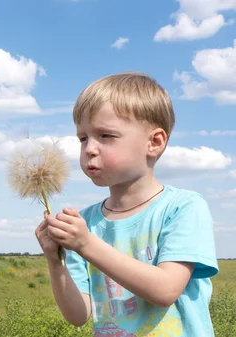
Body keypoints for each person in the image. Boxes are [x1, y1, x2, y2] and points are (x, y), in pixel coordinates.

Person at [35, 72, 219, 336]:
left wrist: (86, 244)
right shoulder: (84, 224)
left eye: (106, 136)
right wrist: (56, 262)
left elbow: (165, 290)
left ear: (154, 142)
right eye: (83, 138)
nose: (89, 149)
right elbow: (78, 315)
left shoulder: (183, 207)